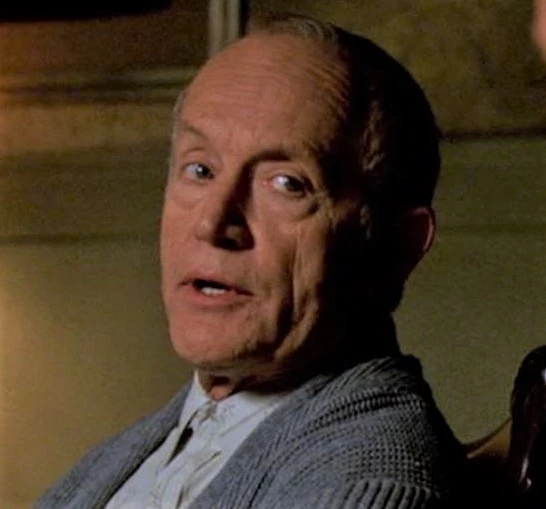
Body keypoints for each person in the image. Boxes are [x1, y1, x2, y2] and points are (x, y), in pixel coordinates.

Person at [34, 13, 468, 509]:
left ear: (394, 248)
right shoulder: (122, 456)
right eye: (200, 169)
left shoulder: (369, 481)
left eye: (287, 183)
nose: (212, 222)